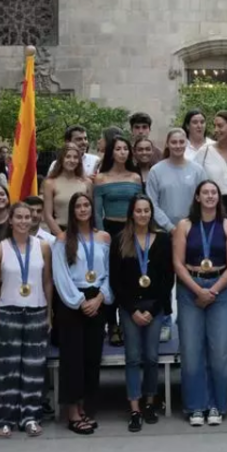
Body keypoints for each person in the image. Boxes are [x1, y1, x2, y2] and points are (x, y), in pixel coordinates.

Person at [174, 180, 227, 426]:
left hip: (220, 290)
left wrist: (212, 290)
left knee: (221, 352)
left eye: (214, 192)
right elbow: (178, 263)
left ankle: (216, 405)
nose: (210, 196)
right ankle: (195, 406)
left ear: (218, 198)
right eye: (206, 192)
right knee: (192, 351)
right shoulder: (184, 225)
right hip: (190, 288)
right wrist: (197, 290)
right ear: (197, 197)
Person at [0, 202, 53, 438]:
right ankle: (4, 418)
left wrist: (49, 312)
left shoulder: (43, 247)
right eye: (19, 217)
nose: (24, 221)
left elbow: (47, 283)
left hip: (36, 311)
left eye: (28, 217)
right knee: (6, 369)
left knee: (33, 368)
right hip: (8, 312)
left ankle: (30, 416)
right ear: (10, 221)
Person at [52, 193, 114, 434]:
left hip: (97, 301)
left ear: (92, 208)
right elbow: (60, 275)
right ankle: (72, 413)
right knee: (72, 359)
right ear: (72, 211)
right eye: (78, 206)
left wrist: (99, 298)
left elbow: (109, 273)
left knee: (91, 358)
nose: (83, 209)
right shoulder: (63, 239)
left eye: (86, 205)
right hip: (72, 304)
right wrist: (79, 302)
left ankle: (86, 405)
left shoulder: (104, 238)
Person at [113, 194, 173, 432]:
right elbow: (116, 281)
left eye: (146, 210)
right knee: (133, 358)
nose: (143, 215)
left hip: (155, 307)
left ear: (151, 213)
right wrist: (132, 310)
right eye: (138, 211)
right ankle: (135, 407)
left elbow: (168, 278)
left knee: (151, 357)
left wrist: (155, 309)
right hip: (130, 309)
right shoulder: (121, 241)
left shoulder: (162, 240)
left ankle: (150, 402)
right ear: (131, 213)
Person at [93, 136, 144, 346]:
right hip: (109, 230)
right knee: (111, 275)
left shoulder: (135, 178)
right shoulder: (101, 178)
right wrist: (102, 235)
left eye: (125, 148)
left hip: (131, 230)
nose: (122, 152)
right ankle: (111, 324)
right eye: (118, 149)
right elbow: (96, 211)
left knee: (130, 275)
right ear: (111, 152)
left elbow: (142, 206)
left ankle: (127, 320)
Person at [146, 128, 208, 233]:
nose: (178, 146)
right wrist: (169, 227)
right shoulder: (156, 171)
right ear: (167, 144)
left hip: (192, 229)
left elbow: (204, 199)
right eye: (174, 142)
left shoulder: (198, 170)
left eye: (181, 142)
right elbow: (152, 203)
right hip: (163, 231)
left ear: (187, 143)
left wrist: (192, 225)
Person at [196, 111, 227, 224]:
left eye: (220, 126)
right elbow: (196, 179)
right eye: (215, 126)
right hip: (212, 206)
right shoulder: (205, 151)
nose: (216, 130)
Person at [42, 145, 93, 237]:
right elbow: (48, 215)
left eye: (75, 157)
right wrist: (61, 236)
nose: (72, 160)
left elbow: (92, 211)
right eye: (68, 156)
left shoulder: (87, 182)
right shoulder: (50, 183)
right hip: (60, 231)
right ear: (61, 159)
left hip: (83, 232)